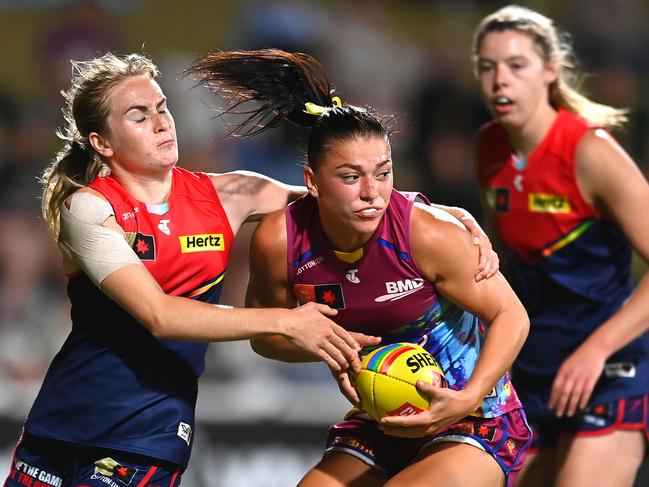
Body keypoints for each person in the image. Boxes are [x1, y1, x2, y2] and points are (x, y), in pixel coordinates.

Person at [3, 51, 385, 487]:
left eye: (162, 108)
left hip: (146, 437)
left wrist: (445, 217)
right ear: (102, 143)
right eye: (139, 116)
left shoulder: (233, 194)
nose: (162, 122)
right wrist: (286, 321)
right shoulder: (89, 208)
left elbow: (352, 204)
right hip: (57, 427)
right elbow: (160, 316)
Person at [186, 48, 531, 487]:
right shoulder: (280, 240)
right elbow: (268, 339)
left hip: (474, 416)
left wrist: (467, 397)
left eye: (383, 173)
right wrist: (327, 344)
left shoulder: (428, 235)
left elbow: (511, 315)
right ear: (312, 182)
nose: (373, 192)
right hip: (384, 418)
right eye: (350, 177)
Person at [471, 5, 649, 487]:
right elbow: (504, 262)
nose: (499, 81)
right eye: (487, 67)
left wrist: (597, 350)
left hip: (611, 369)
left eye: (516, 65)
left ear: (550, 71)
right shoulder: (489, 147)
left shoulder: (591, 151)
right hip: (531, 371)